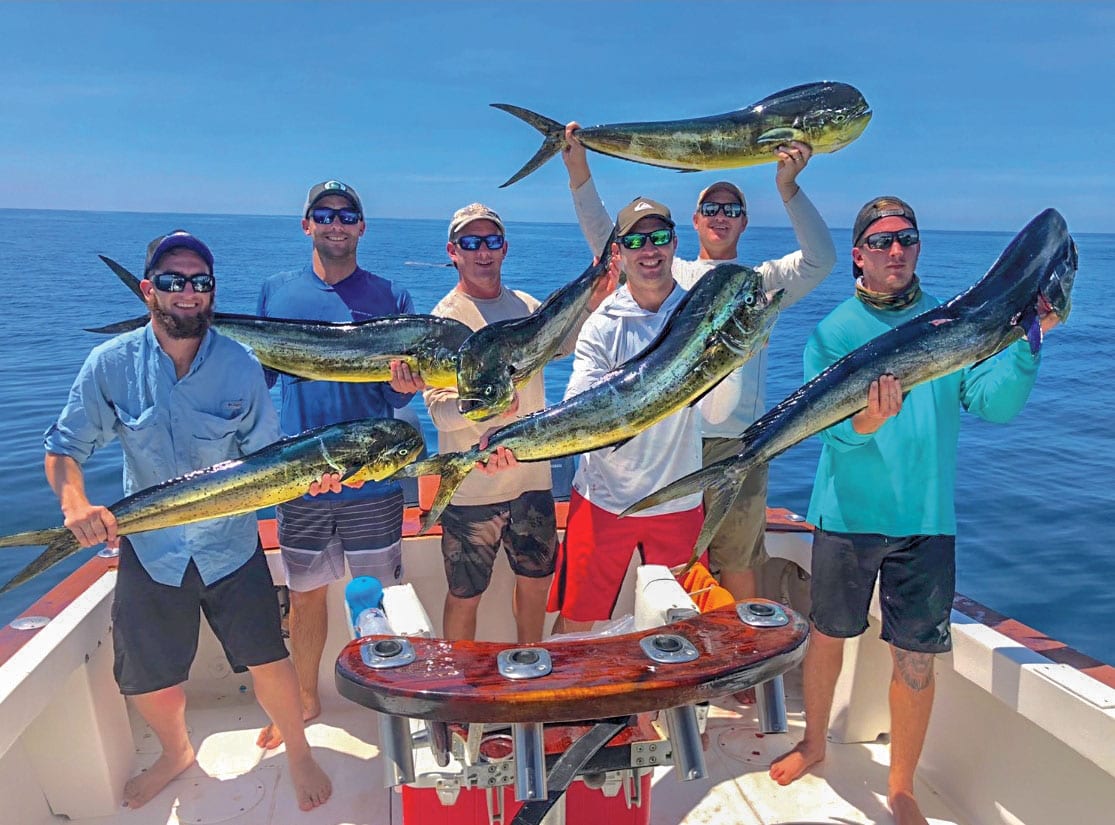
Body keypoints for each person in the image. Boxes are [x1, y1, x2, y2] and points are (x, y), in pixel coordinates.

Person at [768, 197, 1062, 825]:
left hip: (926, 520)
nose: (896, 251)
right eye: (881, 242)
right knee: (827, 636)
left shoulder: (953, 323)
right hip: (847, 515)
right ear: (858, 256)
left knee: (916, 657)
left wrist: (1028, 343)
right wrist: (866, 420)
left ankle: (901, 787)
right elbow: (833, 435)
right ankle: (815, 741)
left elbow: (992, 403)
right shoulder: (834, 333)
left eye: (906, 239)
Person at [43, 231, 333, 811]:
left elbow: (268, 458)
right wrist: (74, 503)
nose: (188, 293)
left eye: (200, 283)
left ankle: (298, 750)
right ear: (150, 290)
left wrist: (311, 476)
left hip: (230, 544)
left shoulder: (241, 365)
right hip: (151, 548)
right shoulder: (110, 364)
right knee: (148, 676)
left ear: (211, 294)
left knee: (269, 659)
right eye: (174, 281)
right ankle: (176, 753)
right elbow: (64, 446)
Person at [562, 124, 836, 602]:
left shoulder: (759, 282)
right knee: (684, 580)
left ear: (745, 222)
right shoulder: (676, 275)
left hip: (737, 446)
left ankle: (742, 672)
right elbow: (611, 241)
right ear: (692, 221)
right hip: (669, 448)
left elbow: (821, 259)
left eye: (732, 210)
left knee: (737, 564)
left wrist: (789, 189)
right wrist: (579, 170)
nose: (721, 217)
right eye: (712, 208)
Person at [255, 181, 425, 748]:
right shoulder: (275, 294)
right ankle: (305, 697)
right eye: (323, 215)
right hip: (301, 476)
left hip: (373, 480)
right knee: (304, 597)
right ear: (306, 224)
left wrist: (408, 386)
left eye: (346, 215)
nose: (335, 223)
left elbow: (399, 401)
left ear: (361, 227)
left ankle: (383, 692)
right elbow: (260, 387)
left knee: (374, 595)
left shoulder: (392, 297)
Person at [547, 197, 743, 635]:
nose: (648, 249)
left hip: (678, 500)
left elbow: (717, 410)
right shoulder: (602, 322)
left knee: (682, 623)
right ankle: (578, 703)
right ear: (619, 252)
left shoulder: (701, 314)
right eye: (635, 240)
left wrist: (728, 364)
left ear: (674, 243)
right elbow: (578, 398)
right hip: (604, 502)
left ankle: (658, 708)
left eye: (657, 238)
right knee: (579, 620)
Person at [422, 203, 616, 642]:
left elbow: (563, 345)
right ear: (454, 251)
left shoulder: (527, 306)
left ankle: (530, 669)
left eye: (491, 241)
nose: (482, 252)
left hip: (532, 482)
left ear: (504, 248)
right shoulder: (442, 322)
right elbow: (437, 408)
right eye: (471, 243)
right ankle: (461, 691)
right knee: (464, 594)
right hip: (472, 490)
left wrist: (593, 303)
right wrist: (486, 412)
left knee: (534, 585)